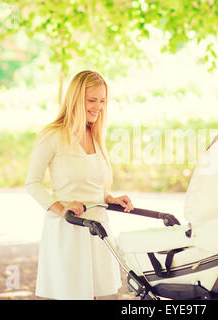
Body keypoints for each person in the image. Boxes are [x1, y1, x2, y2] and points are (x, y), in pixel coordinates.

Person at [25, 70, 134, 300]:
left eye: (103, 100)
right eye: (92, 100)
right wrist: (61, 208)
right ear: (75, 99)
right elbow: (32, 184)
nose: (99, 106)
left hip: (97, 228)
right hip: (69, 230)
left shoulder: (94, 134)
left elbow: (91, 181)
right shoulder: (52, 136)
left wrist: (109, 197)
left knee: (92, 296)